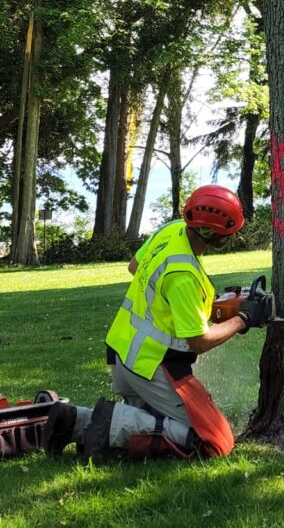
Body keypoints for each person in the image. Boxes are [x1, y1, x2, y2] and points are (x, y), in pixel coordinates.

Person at [42, 185, 268, 463]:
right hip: (153, 364)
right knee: (213, 441)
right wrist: (243, 319)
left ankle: (75, 421)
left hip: (122, 352)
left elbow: (135, 266)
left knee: (155, 421)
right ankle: (109, 423)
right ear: (216, 235)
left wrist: (211, 305)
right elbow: (200, 341)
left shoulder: (172, 230)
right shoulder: (184, 276)